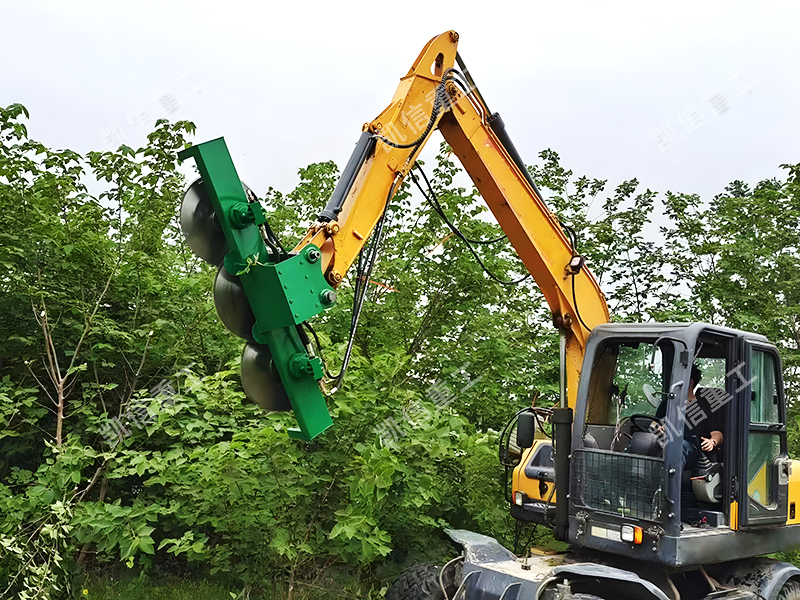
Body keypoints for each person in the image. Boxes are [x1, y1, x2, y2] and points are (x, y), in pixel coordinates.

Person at [656, 364, 723, 469]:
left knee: (676, 445)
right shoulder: (666, 405)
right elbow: (654, 426)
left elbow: (717, 433)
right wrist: (659, 429)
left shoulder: (704, 406)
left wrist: (712, 442)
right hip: (663, 444)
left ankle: (669, 478)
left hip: (692, 449)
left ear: (690, 381)